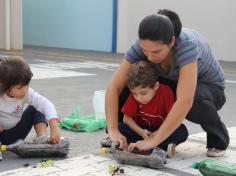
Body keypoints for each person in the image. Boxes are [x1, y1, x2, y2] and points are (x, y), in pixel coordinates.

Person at [105, 9, 229, 157]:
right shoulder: (142, 45)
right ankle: (126, 136)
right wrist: (112, 129)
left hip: (209, 90)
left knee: (194, 100)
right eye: (145, 50)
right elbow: (114, 86)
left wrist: (154, 141)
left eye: (156, 52)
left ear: (172, 41)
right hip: (174, 83)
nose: (149, 57)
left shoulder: (187, 46)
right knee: (133, 83)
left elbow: (185, 100)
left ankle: (218, 138)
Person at [119, 60, 188, 157]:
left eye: (143, 93)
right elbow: (126, 119)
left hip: (162, 130)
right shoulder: (135, 95)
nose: (139, 98)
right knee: (120, 127)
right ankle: (160, 147)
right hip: (142, 130)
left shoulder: (166, 93)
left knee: (182, 131)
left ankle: (143, 146)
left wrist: (158, 134)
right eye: (134, 93)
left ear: (156, 86)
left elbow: (174, 118)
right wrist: (142, 132)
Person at [0, 56, 61, 153]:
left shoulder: (27, 93)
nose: (24, 91)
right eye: (19, 88)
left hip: (13, 136)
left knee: (37, 107)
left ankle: (41, 138)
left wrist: (54, 126)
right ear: (5, 86)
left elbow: (46, 104)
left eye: (27, 85)